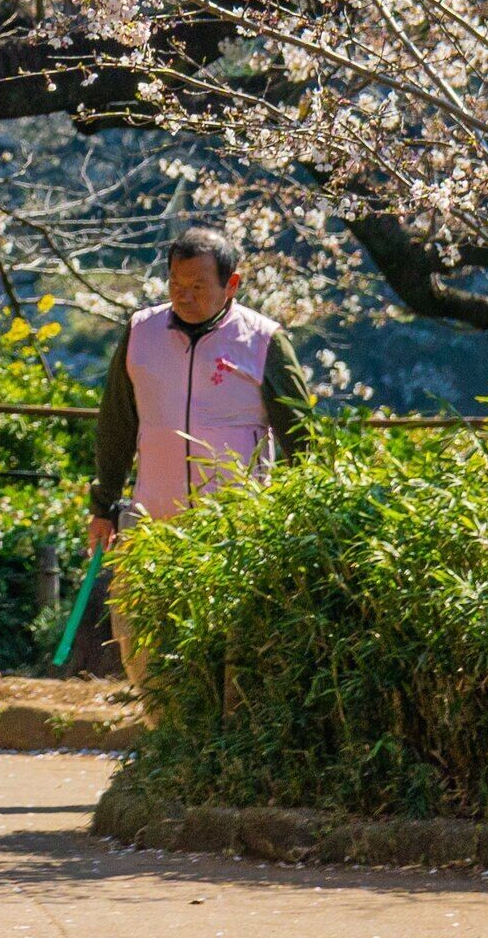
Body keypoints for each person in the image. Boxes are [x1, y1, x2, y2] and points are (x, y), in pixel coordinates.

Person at [86, 222, 316, 671]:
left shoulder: (265, 340)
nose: (183, 296)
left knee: (233, 654)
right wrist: (103, 505)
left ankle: (212, 738)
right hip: (152, 523)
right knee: (142, 648)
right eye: (175, 283)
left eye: (197, 286)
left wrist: (298, 516)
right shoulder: (140, 332)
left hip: (236, 530)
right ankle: (161, 737)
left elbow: (300, 437)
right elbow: (116, 424)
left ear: (231, 285)